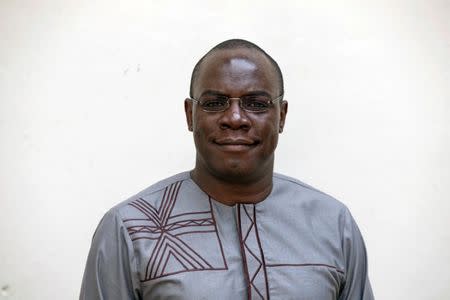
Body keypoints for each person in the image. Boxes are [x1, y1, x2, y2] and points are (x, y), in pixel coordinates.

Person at [80, 39, 374, 299]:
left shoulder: (333, 224)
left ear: (281, 116)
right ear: (190, 114)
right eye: (214, 103)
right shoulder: (131, 228)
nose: (235, 118)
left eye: (256, 104)